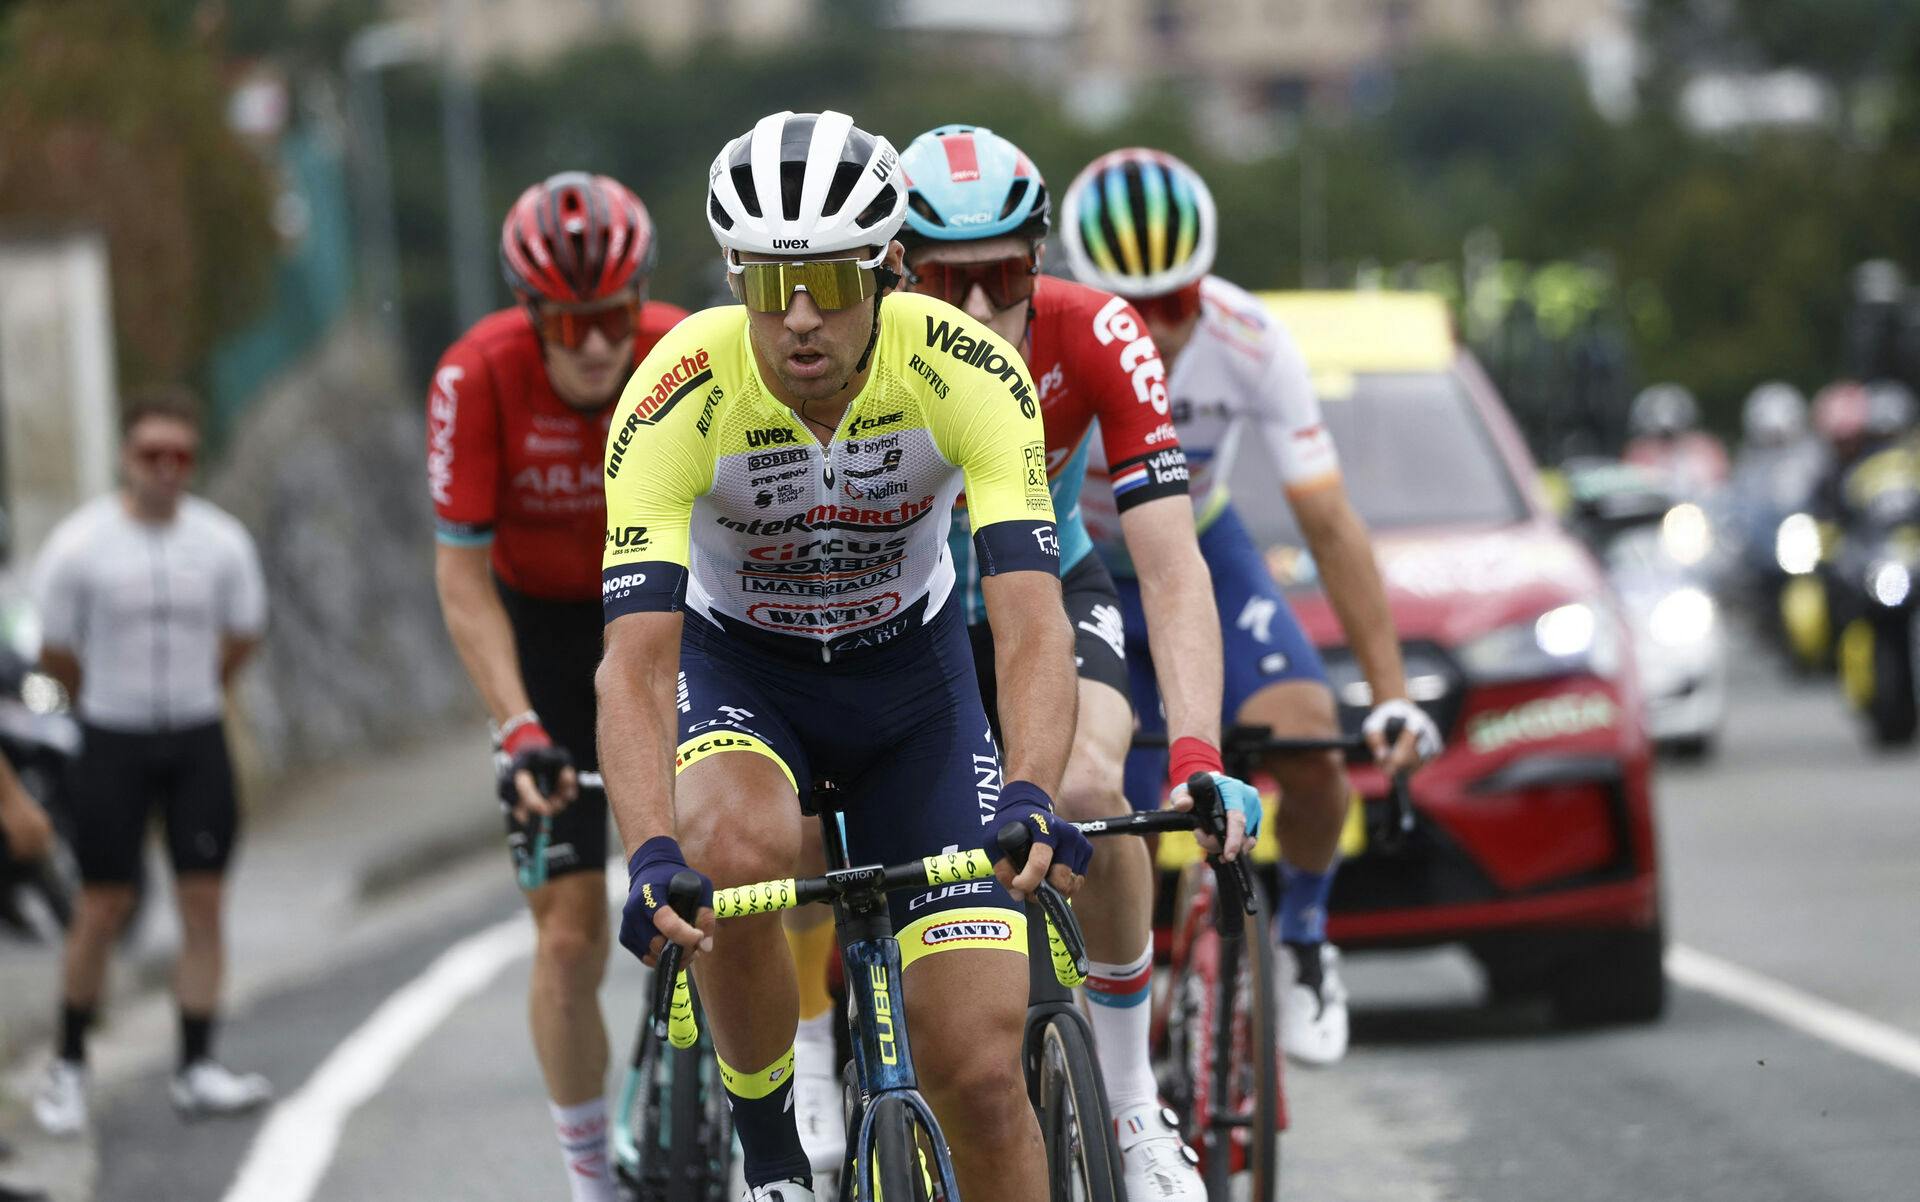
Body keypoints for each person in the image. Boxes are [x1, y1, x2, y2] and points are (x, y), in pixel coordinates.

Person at [596, 109, 1100, 1202]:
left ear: (890, 271)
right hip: (746, 676)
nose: (804, 316)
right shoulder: (674, 393)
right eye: (772, 285)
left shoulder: (969, 372)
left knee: (978, 1070)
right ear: (736, 280)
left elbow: (1027, 618)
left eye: (832, 278)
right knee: (736, 842)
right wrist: (647, 851)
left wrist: (1032, 787)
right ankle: (771, 1139)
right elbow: (633, 666)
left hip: (913, 689)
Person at [885, 123, 1262, 1201]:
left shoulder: (1096, 328)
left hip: (1053, 589)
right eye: (940, 281)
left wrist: (1195, 748)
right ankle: (822, 1061)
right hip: (910, 625)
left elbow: (1174, 566)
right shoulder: (858, 352)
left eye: (999, 277)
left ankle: (1136, 1100)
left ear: (1037, 264)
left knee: (1094, 790)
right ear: (892, 270)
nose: (972, 315)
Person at [1059, 147, 1443, 1065]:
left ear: (1206, 284)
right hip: (1087, 565)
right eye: (1131, 309)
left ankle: (1306, 941)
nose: (1156, 330)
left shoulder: (1250, 338)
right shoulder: (1047, 338)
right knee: (1114, 809)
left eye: (1177, 304)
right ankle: (1121, 1004)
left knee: (1311, 744)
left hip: (1200, 551)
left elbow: (1328, 522)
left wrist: (1390, 693)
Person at [429, 171, 686, 1202]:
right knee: (571, 929)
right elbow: (459, 575)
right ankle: (591, 1177)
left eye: (614, 315)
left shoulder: (683, 349)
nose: (594, 344)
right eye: (570, 322)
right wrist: (519, 726)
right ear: (530, 313)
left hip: (665, 611)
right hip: (540, 626)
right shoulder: (477, 374)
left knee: (733, 860)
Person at [29, 387, 271, 1134]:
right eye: (150, 456)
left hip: (196, 735)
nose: (167, 470)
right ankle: (67, 1066)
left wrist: (201, 688)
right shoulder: (78, 547)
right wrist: (105, 700)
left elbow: (242, 634)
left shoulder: (223, 541)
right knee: (103, 903)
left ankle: (197, 1065)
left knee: (205, 903)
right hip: (114, 736)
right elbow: (56, 653)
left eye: (181, 457)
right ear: (125, 458)